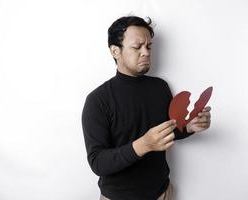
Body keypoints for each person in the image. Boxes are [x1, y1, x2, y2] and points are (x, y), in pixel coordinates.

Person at [82, 15, 211, 200]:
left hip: (163, 193)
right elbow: (98, 163)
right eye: (137, 47)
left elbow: (169, 131)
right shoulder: (97, 100)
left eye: (149, 46)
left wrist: (189, 127)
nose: (146, 52)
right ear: (115, 51)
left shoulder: (160, 87)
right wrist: (143, 145)